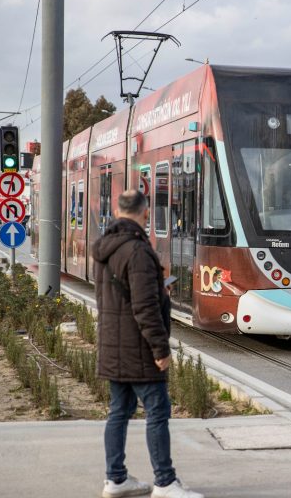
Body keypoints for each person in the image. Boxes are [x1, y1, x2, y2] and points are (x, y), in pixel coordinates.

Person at [94, 189, 203, 498]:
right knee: (157, 411)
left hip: (113, 344)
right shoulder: (138, 251)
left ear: (117, 211)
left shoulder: (105, 248)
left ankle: (115, 479)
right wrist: (160, 348)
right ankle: (165, 483)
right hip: (138, 347)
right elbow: (144, 307)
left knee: (119, 410)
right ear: (145, 213)